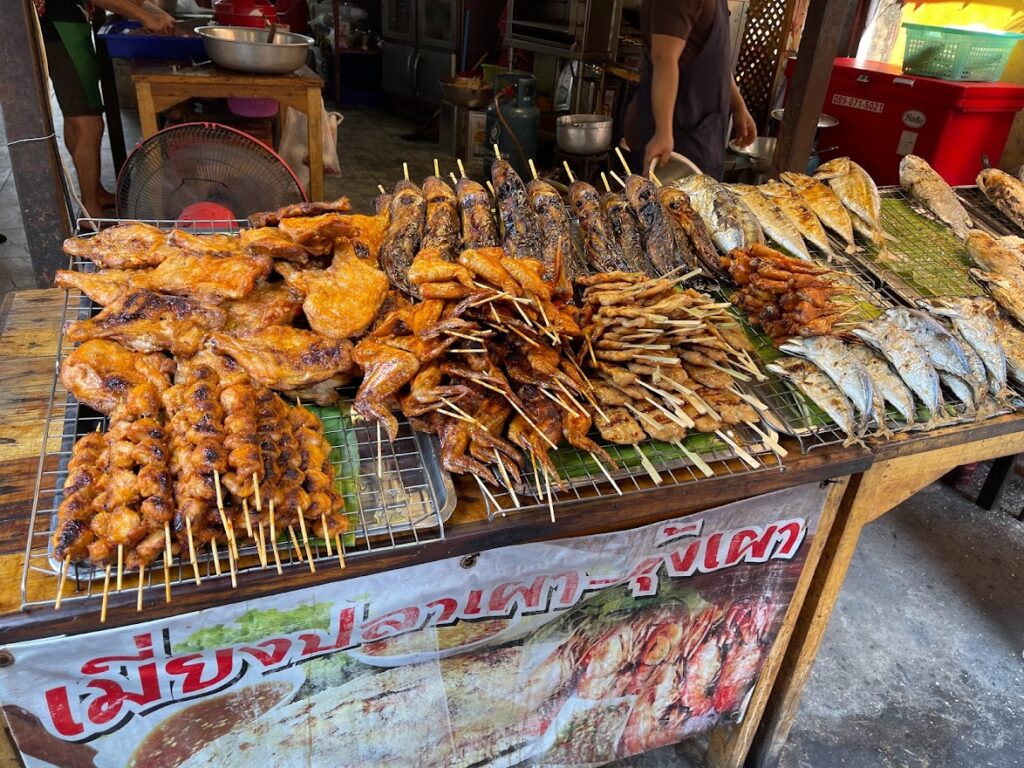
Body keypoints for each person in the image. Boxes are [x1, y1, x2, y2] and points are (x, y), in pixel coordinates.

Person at [35, 0, 174, 217]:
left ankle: (94, 193)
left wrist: (153, 12)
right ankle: (90, 210)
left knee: (78, 116)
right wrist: (144, 16)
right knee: (87, 122)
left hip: (66, 24)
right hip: (59, 26)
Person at [624, 0, 757, 180]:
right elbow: (664, 58)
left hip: (704, 133)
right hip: (675, 137)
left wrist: (738, 106)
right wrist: (663, 131)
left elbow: (717, 61)